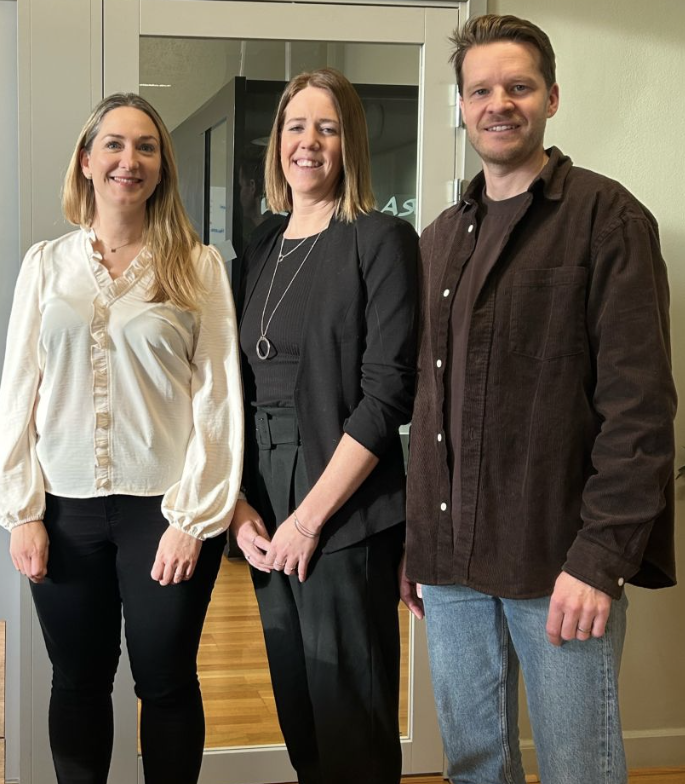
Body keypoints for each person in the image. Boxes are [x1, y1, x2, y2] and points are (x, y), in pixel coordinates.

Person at [404, 14, 676, 784]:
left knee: (578, 769)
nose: (499, 104)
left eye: (518, 87)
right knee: (473, 766)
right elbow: (428, 406)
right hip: (450, 565)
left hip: (558, 560)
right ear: (461, 107)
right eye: (480, 91)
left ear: (551, 98)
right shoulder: (436, 240)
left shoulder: (608, 219)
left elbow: (640, 409)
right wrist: (419, 546)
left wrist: (600, 559)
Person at [0, 93, 243, 784]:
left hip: (164, 510)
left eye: (146, 147)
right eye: (114, 144)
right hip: (63, 509)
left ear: (161, 167)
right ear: (86, 160)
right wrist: (23, 511)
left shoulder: (198, 266)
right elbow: (18, 391)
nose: (129, 160)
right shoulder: (45, 265)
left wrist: (194, 519)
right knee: (77, 681)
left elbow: (218, 398)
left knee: (165, 681)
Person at [229, 67, 420, 784]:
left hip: (342, 495)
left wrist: (309, 519)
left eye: (328, 128)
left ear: (351, 144)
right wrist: (238, 503)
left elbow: (387, 394)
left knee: (350, 717)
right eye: (296, 125)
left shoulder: (381, 238)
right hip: (263, 489)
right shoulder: (262, 244)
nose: (308, 142)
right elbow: (232, 386)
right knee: (299, 705)